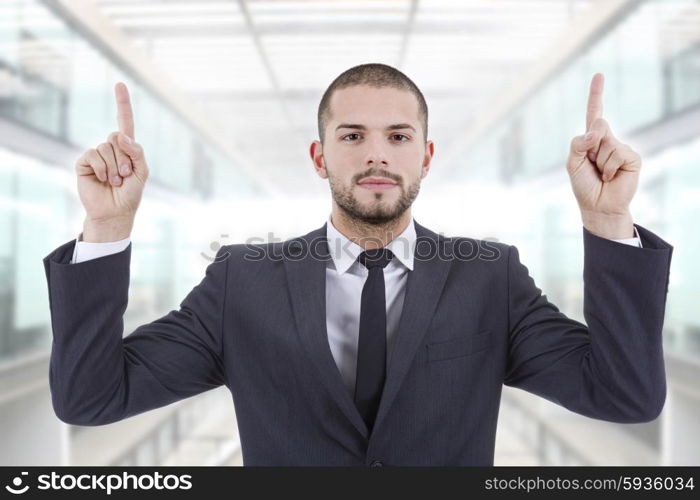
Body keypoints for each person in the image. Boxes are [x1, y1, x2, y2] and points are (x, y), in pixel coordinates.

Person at [43, 63, 673, 466]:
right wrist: (106, 227)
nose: (377, 156)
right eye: (352, 137)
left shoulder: (490, 277)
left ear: (426, 156)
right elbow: (92, 397)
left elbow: (625, 396)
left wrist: (607, 220)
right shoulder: (241, 282)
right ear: (320, 157)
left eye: (399, 137)